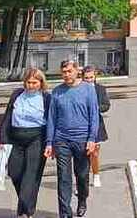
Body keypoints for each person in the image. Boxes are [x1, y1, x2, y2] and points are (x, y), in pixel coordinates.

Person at [43, 60, 99, 218]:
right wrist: (49, 142)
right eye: (64, 72)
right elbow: (51, 118)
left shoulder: (88, 89)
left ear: (77, 71)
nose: (66, 75)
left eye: (69, 71)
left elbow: (94, 115)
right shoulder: (57, 92)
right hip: (62, 140)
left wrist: (92, 138)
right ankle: (65, 213)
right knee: (63, 177)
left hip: (82, 140)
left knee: (82, 175)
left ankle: (82, 200)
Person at [0, 68, 51, 218]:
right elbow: (7, 117)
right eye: (28, 82)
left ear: (41, 83)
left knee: (31, 175)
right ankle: (25, 205)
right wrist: (2, 139)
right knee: (14, 172)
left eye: (35, 82)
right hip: (15, 138)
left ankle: (27, 211)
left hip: (37, 138)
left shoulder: (46, 98)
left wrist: (50, 142)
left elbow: (52, 121)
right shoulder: (17, 94)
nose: (31, 85)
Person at [81, 66, 111, 187]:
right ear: (82, 78)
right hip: (82, 124)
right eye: (86, 78)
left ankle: (96, 175)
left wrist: (96, 108)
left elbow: (106, 105)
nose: (89, 80)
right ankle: (83, 181)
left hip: (96, 124)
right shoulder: (78, 90)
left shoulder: (100, 89)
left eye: (91, 77)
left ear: (95, 77)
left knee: (94, 152)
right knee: (82, 154)